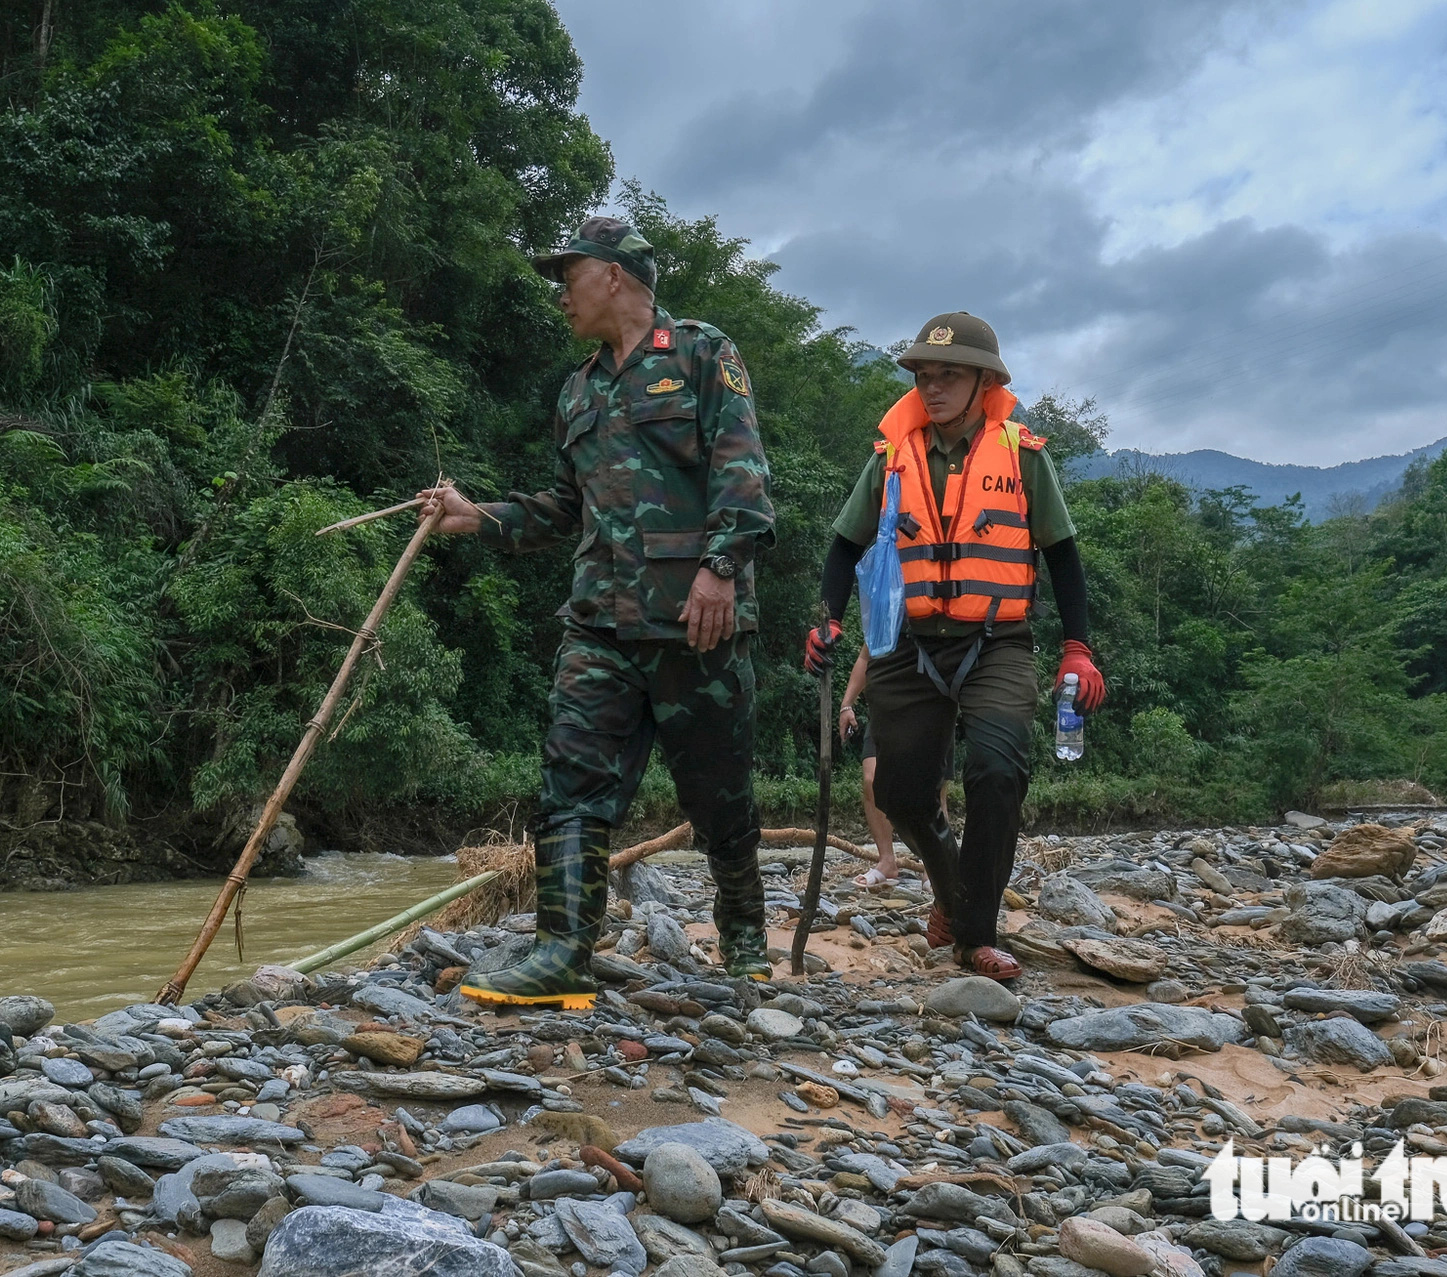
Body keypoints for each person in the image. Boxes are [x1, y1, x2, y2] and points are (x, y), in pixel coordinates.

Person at [418, 216, 777, 1007]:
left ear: (614, 275)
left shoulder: (702, 353)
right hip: (599, 622)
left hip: (695, 619)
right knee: (571, 782)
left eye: (567, 276)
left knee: (718, 788)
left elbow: (743, 476)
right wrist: (479, 515)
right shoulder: (577, 389)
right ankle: (562, 951)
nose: (559, 295)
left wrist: (721, 571)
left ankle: (745, 931)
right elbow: (566, 505)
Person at [803, 312, 1104, 980]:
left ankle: (974, 935)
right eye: (924, 375)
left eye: (949, 375)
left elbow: (1063, 554)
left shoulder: (1023, 453)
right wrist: (827, 620)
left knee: (998, 771)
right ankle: (950, 893)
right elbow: (844, 545)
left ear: (983, 381)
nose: (932, 387)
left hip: (996, 640)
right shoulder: (891, 456)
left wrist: (1077, 647)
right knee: (903, 792)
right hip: (908, 645)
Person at [836, 652, 900, 887]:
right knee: (871, 780)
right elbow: (866, 656)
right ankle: (887, 861)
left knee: (930, 788)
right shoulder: (884, 616)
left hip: (928, 704)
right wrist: (847, 705)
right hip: (883, 707)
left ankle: (931, 868)